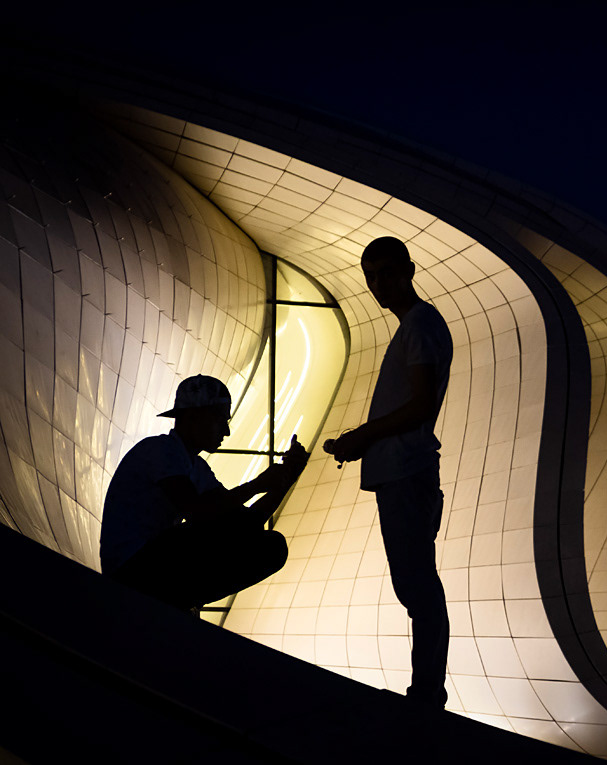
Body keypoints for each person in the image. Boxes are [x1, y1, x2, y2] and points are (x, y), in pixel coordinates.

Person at [325, 236, 453, 709]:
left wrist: (364, 435)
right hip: (401, 471)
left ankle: (426, 696)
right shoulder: (414, 327)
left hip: (407, 472)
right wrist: (362, 441)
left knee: (417, 585)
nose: (377, 285)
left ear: (409, 270)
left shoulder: (420, 324)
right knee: (415, 583)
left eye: (385, 273)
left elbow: (419, 404)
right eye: (370, 276)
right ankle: (425, 693)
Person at [100, 375, 308, 610]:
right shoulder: (159, 451)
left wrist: (286, 479)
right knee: (248, 540)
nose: (227, 432)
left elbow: (245, 522)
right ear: (194, 417)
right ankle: (181, 601)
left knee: (272, 547)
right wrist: (258, 485)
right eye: (221, 421)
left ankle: (180, 602)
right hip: (133, 570)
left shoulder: (195, 467)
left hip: (146, 567)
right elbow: (199, 512)